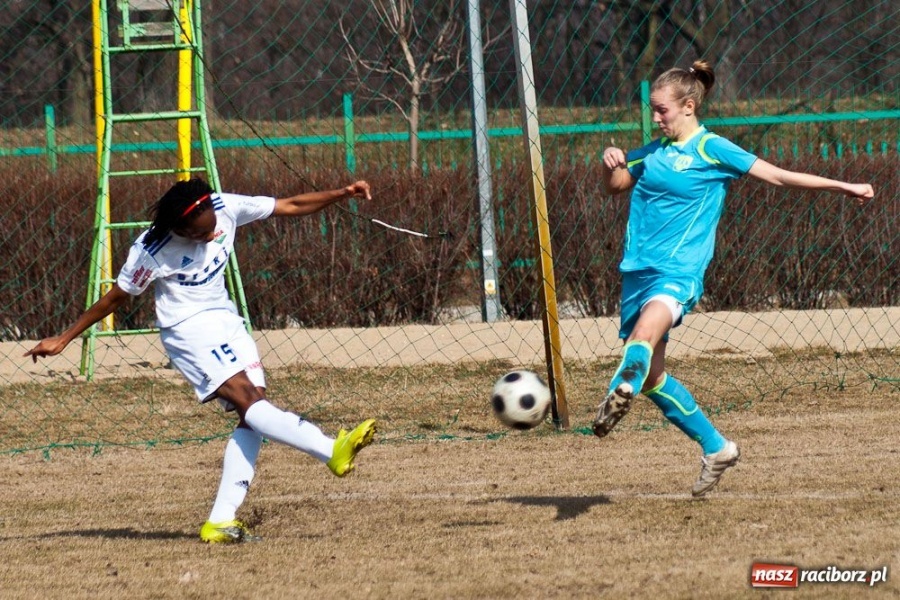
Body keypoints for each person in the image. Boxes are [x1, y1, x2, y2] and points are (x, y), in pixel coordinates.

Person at [25, 177, 378, 543]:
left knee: (252, 414)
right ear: (179, 229)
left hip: (226, 318)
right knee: (251, 402)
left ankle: (220, 521)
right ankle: (329, 450)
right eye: (198, 236)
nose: (210, 238)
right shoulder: (152, 249)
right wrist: (65, 338)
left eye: (212, 231)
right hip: (188, 331)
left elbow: (288, 205)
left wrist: (340, 194)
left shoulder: (224, 207)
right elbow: (116, 298)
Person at [592, 59, 875, 497]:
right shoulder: (653, 152)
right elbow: (617, 185)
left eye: (661, 110)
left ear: (688, 106)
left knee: (645, 336)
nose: (655, 117)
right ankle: (717, 447)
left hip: (678, 272)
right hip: (636, 273)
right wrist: (613, 162)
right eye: (652, 109)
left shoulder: (713, 149)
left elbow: (778, 177)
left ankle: (618, 388)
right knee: (654, 378)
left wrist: (844, 186)